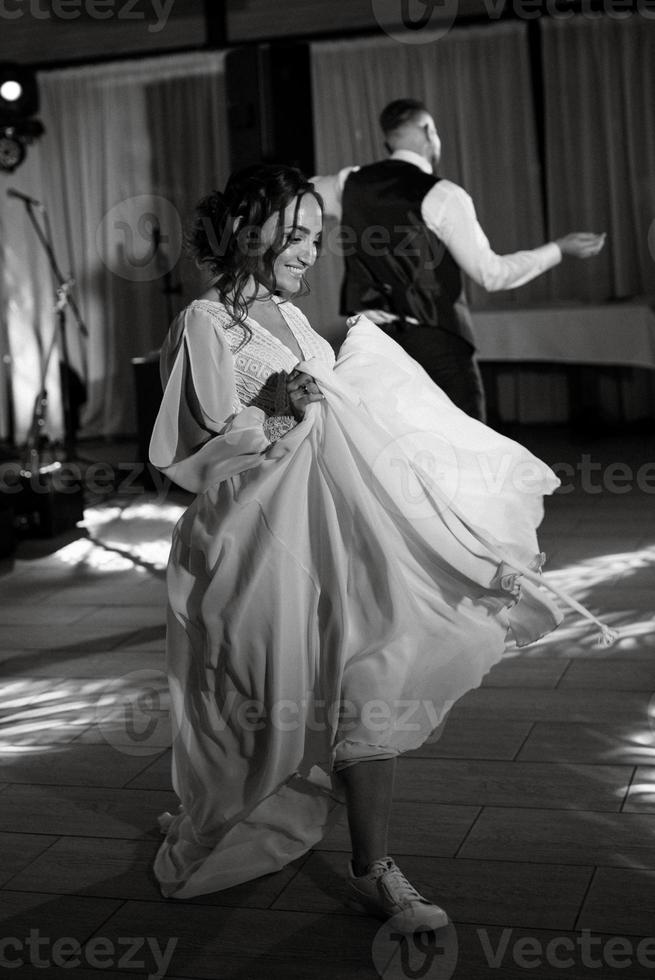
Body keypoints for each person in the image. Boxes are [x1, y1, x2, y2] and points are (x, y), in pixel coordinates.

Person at [149, 163, 611, 933]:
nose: (309, 251)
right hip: (254, 543)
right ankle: (218, 810)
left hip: (336, 530)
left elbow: (353, 421)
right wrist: (264, 416)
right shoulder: (204, 322)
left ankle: (374, 871)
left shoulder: (296, 322)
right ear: (246, 234)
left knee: (375, 673)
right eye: (293, 236)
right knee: (257, 713)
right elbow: (184, 459)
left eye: (316, 237)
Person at [312, 98, 606, 422]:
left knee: (389, 455)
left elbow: (298, 194)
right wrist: (559, 249)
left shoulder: (348, 183)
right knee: (468, 453)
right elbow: (493, 275)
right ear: (428, 131)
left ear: (387, 141)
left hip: (372, 345)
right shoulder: (443, 194)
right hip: (435, 347)